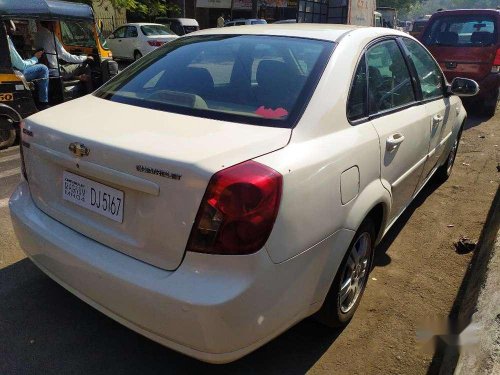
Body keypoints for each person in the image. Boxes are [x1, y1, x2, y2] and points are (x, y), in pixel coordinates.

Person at [35, 21, 94, 92]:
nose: (56, 26)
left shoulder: (37, 35)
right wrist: (85, 57)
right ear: (51, 23)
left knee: (69, 66)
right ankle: (90, 93)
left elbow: (50, 53)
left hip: (48, 69)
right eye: (56, 23)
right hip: (56, 71)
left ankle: (77, 78)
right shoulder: (50, 36)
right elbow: (65, 56)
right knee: (85, 65)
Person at [4, 21, 49, 110]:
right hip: (12, 74)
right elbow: (21, 65)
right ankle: (43, 103)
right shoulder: (5, 41)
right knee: (43, 69)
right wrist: (35, 58)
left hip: (5, 71)